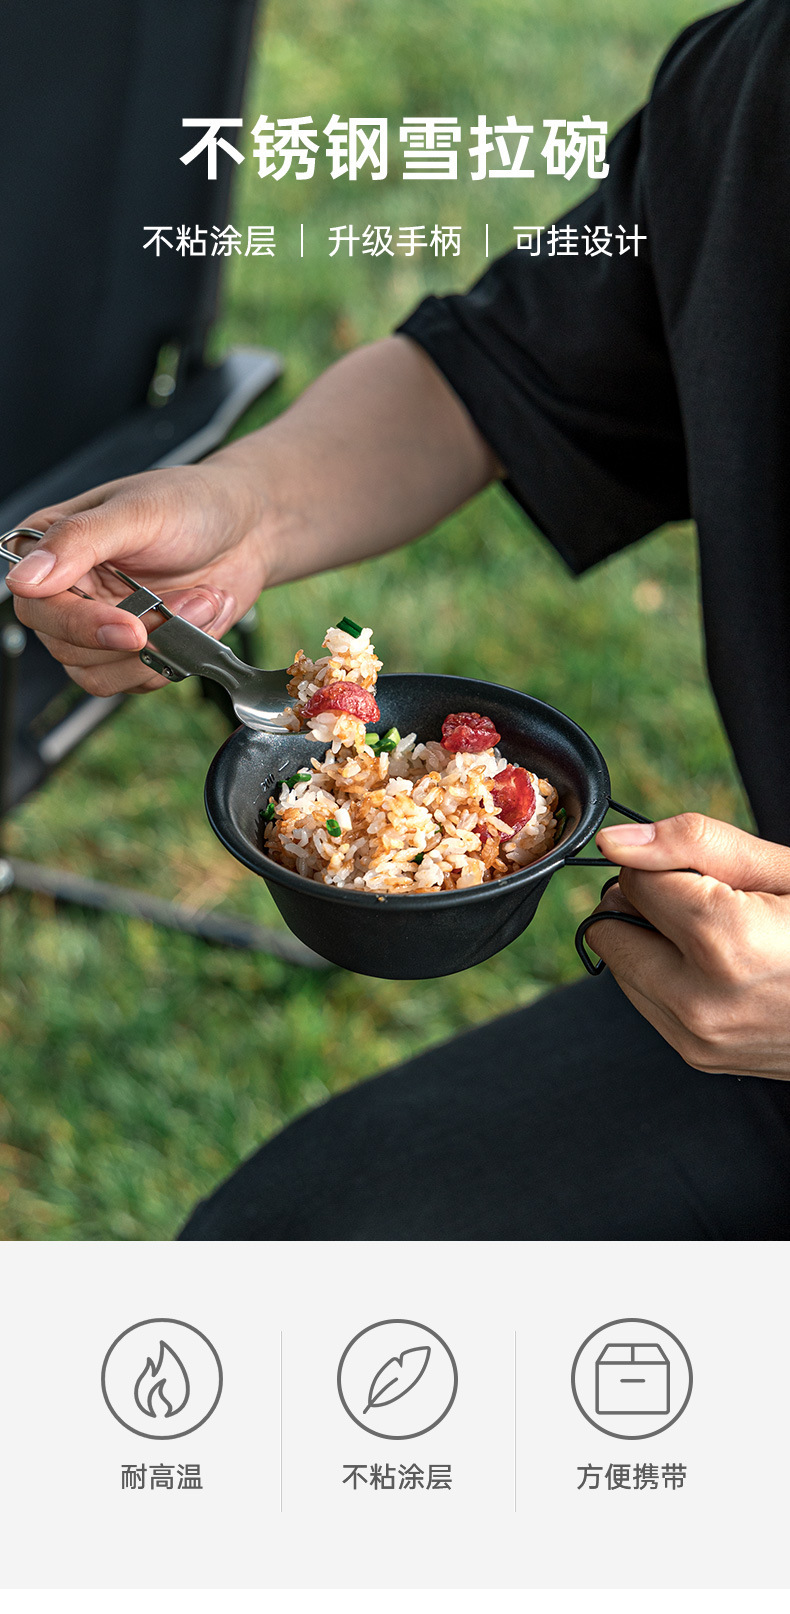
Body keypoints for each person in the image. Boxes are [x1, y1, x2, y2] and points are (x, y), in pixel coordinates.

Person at [8, 0, 790, 1238]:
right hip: (761, 1018)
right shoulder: (758, 87)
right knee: (277, 1257)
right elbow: (497, 373)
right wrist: (244, 508)